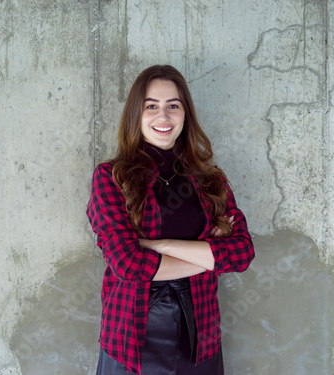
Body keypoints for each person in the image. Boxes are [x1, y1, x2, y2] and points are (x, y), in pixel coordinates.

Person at [86, 65, 255, 375]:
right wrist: (211, 256)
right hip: (132, 341)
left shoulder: (210, 181)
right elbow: (128, 264)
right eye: (151, 106)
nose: (163, 117)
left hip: (200, 338)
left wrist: (160, 245)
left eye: (173, 106)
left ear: (185, 114)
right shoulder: (111, 178)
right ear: (136, 114)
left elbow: (243, 253)